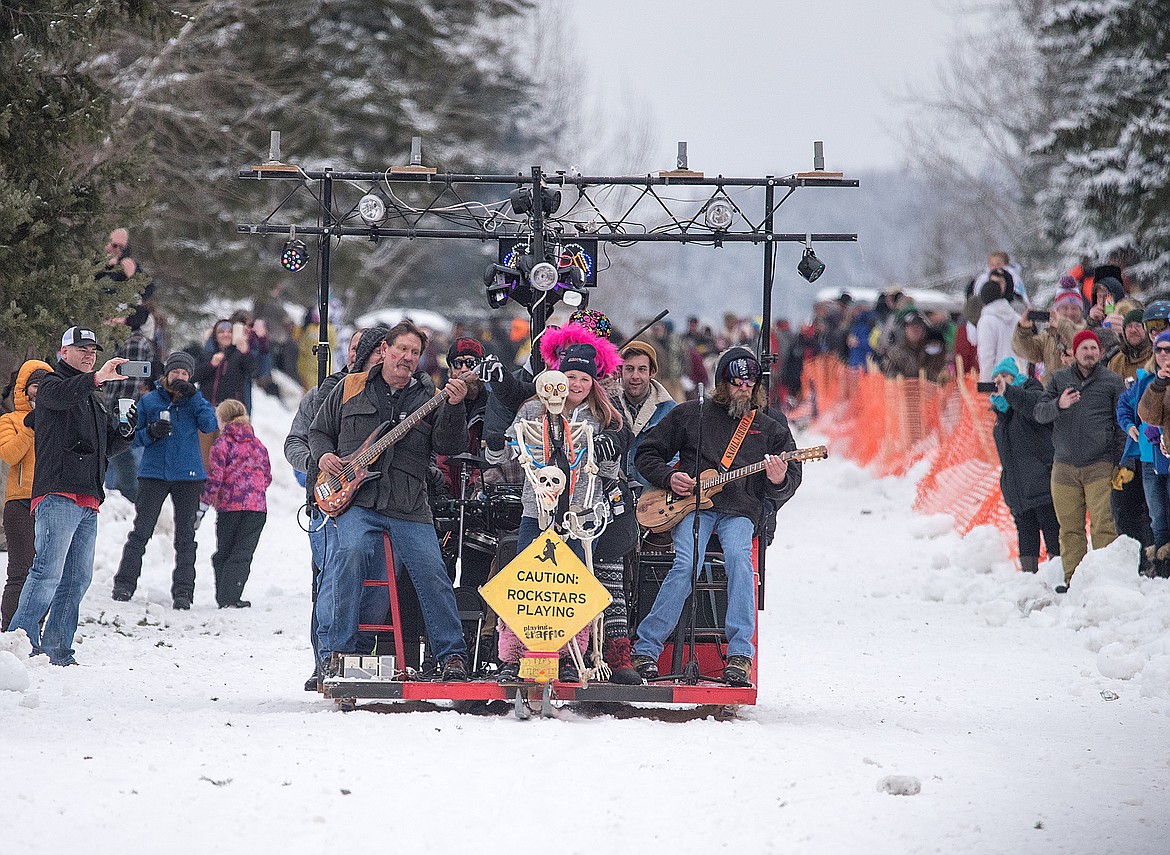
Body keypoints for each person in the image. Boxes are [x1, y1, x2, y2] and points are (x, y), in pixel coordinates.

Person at [631, 346, 803, 686]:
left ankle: (740, 654)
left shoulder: (770, 428)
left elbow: (791, 479)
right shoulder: (690, 415)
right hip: (693, 508)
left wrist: (779, 478)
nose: (744, 388)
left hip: (741, 510)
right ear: (722, 382)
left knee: (740, 558)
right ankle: (646, 648)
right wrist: (668, 477)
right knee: (686, 562)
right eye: (737, 381)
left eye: (750, 383)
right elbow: (646, 453)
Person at [309, 321, 471, 681]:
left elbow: (448, 446)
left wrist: (456, 407)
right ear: (384, 350)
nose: (407, 358)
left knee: (434, 574)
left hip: (409, 506)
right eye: (402, 350)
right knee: (346, 559)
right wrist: (323, 457)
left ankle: (452, 656)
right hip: (358, 503)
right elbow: (318, 432)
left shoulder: (429, 398)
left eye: (415, 353)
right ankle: (338, 654)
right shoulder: (350, 389)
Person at [492, 343, 629, 682]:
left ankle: (570, 658)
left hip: (582, 516)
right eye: (570, 376)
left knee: (574, 587)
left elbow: (609, 473)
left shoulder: (602, 417)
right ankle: (515, 657)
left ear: (594, 382)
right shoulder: (533, 411)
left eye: (585, 378)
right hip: (536, 511)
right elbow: (508, 452)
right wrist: (497, 446)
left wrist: (609, 451)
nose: (577, 385)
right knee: (526, 585)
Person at [8, 326, 136, 665]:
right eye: (82, 349)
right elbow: (58, 397)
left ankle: (57, 650)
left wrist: (129, 431)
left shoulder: (92, 399)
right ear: (64, 352)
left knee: (77, 579)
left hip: (88, 499)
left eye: (93, 350)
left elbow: (106, 448)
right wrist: (96, 379)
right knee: (47, 571)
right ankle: (18, 646)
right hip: (58, 494)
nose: (89, 355)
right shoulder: (52, 385)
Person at [284, 325, 387, 689]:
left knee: (376, 588)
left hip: (376, 503)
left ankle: (360, 656)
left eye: (369, 348)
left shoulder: (391, 394)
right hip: (327, 504)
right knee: (330, 584)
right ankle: (325, 661)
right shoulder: (323, 393)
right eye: (355, 347)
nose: (360, 354)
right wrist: (320, 461)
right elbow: (294, 442)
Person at [110, 351, 218, 608]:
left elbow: (210, 425)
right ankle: (124, 585)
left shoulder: (195, 401)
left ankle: (183, 592)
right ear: (167, 374)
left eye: (184, 374)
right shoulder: (150, 401)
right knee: (141, 531)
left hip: (188, 476)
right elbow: (132, 438)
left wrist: (196, 397)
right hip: (154, 473)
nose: (179, 377)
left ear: (189, 377)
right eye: (176, 372)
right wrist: (150, 432)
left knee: (185, 537)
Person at [1033, 329, 1126, 591]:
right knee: (1069, 528)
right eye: (1084, 348)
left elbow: (1120, 423)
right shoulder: (1058, 379)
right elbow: (1040, 413)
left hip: (1100, 464)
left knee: (1103, 525)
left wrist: (1119, 461)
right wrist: (1058, 405)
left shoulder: (1112, 381)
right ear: (1074, 352)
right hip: (1064, 467)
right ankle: (1073, 580)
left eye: (1093, 348)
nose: (1089, 353)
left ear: (1099, 352)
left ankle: (1104, 580)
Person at [989, 358, 1060, 573]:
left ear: (1015, 379)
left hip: (1042, 483)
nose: (999, 383)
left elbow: (1034, 408)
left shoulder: (1033, 394)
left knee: (1052, 530)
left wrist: (1010, 392)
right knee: (1026, 533)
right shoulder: (1001, 412)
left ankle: (1060, 574)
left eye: (1005, 378)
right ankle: (1029, 580)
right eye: (996, 380)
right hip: (1018, 489)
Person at [203, 399, 271, 608]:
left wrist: (204, 503)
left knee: (224, 552)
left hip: (229, 508)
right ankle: (231, 596)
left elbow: (215, 478)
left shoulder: (222, 445)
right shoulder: (258, 444)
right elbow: (267, 476)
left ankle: (225, 597)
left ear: (222, 420)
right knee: (242, 554)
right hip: (257, 508)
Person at [0, 360, 52, 629]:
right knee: (20, 570)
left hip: (51, 501)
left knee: (46, 571)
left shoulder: (57, 420)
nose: (40, 391)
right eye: (35, 385)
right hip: (20, 502)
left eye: (46, 385)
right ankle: (9, 628)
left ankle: (35, 627)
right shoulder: (9, 420)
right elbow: (9, 454)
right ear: (23, 389)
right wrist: (31, 426)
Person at [1118, 328, 1170, 576]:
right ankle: (1161, 565)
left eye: (1168, 349)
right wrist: (1129, 427)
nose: (1162, 354)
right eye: (1158, 349)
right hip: (1150, 457)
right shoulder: (1145, 379)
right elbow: (1132, 408)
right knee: (1156, 515)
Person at [102, 310, 157, 502]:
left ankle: (130, 498)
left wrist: (121, 412)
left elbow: (130, 382)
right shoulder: (122, 341)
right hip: (115, 406)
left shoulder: (135, 343)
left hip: (123, 409)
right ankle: (118, 495)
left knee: (123, 456)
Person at [615, 340, 677, 487]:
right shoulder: (608, 407)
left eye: (642, 369)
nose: (635, 376)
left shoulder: (670, 411)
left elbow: (675, 461)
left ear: (652, 372)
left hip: (654, 498)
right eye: (629, 369)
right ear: (620, 371)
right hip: (614, 498)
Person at [977, 269, 1023, 382]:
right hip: (1017, 380)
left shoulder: (987, 320)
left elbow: (987, 356)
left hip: (997, 382)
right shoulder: (1018, 318)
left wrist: (986, 384)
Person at [881, 310, 946, 381]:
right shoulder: (895, 353)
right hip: (902, 390)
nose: (916, 329)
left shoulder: (930, 352)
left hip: (928, 390)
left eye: (919, 327)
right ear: (905, 329)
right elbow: (889, 375)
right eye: (912, 326)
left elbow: (938, 371)